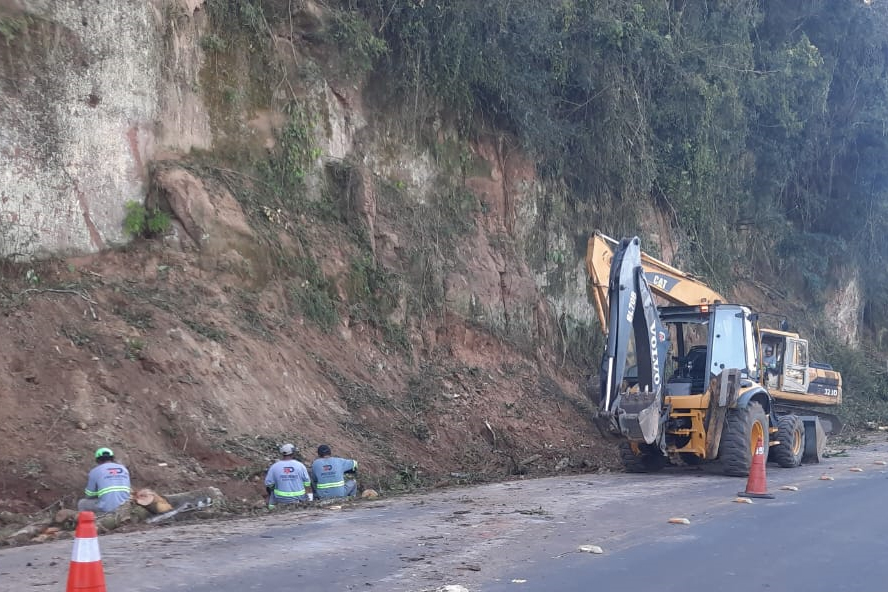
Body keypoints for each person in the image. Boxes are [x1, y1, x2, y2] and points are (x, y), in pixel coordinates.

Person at [77, 447, 131, 513]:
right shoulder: (124, 469)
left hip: (107, 508)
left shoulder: (95, 471)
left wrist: (98, 493)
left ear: (97, 460)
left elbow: (89, 495)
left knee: (82, 503)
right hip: (125, 507)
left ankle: (89, 522)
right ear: (112, 458)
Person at [264, 443, 312, 508]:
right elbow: (307, 483)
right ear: (293, 453)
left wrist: (276, 487)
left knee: (272, 492)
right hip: (299, 497)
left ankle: (271, 509)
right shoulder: (300, 466)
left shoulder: (274, 467)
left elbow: (268, 484)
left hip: (280, 498)